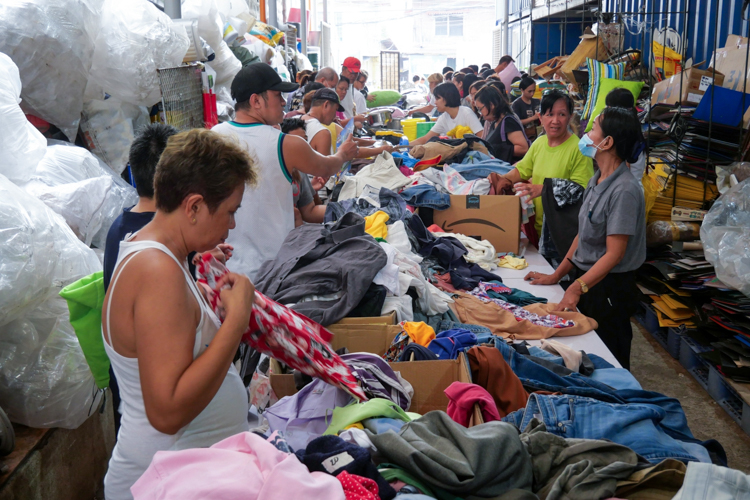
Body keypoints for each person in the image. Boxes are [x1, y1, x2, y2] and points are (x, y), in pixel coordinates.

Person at [102, 128, 258, 500]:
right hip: (162, 483)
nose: (232, 224)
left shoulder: (158, 255)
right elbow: (167, 413)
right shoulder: (158, 272)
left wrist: (200, 308)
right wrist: (235, 322)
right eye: (229, 211)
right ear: (194, 207)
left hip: (178, 478)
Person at [524, 107, 646, 369]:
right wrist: (558, 275)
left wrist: (577, 287)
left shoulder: (624, 190)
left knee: (609, 360)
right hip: (589, 281)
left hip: (609, 288)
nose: (586, 134)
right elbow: (584, 233)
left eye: (593, 129)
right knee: (584, 356)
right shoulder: (597, 179)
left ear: (607, 142)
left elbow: (614, 254)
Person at [212, 63, 358, 281]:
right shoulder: (285, 144)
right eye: (277, 95)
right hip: (273, 272)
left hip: (224, 270)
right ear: (256, 101)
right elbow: (326, 167)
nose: (283, 102)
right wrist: (344, 154)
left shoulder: (212, 137)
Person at [493, 90, 594, 235]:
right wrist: (501, 180)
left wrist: (544, 190)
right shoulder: (539, 143)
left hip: (562, 232)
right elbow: (522, 170)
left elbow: (581, 191)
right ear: (540, 117)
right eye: (550, 114)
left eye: (562, 114)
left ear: (570, 117)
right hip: (539, 227)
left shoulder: (578, 150)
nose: (555, 121)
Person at [303, 88, 393, 158]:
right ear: (326, 105)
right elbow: (325, 173)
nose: (335, 116)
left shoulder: (297, 120)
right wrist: (380, 149)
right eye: (335, 110)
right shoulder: (322, 132)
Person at [280, 118, 326, 225]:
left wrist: (313, 191)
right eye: (296, 141)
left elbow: (309, 211)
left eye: (305, 141)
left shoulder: (300, 170)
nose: (302, 146)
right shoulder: (274, 170)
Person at [410, 82, 483, 146]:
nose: (435, 102)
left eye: (438, 98)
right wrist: (401, 146)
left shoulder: (466, 113)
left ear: (447, 97)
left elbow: (481, 137)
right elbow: (426, 139)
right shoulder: (444, 117)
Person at [474, 85, 529, 163]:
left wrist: (496, 149)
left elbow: (523, 148)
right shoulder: (494, 123)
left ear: (491, 105)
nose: (480, 114)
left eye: (480, 109)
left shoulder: (508, 121)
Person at [604, 88, 646, 186]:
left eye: (609, 107)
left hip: (628, 191)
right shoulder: (630, 131)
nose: (606, 111)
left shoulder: (628, 139)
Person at [512, 77, 541, 142]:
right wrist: (533, 118)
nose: (532, 93)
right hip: (524, 137)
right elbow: (516, 122)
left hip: (537, 134)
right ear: (522, 90)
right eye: (529, 91)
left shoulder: (537, 101)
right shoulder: (517, 104)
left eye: (534, 90)